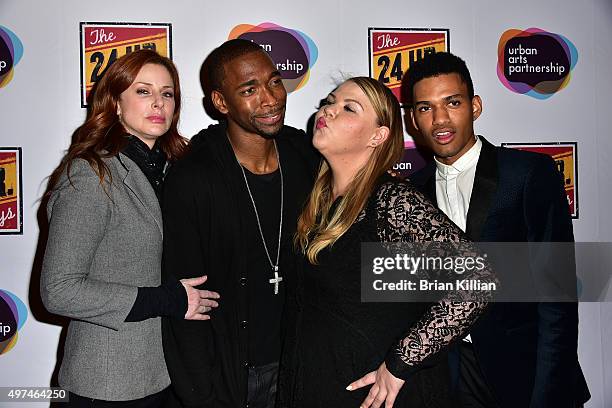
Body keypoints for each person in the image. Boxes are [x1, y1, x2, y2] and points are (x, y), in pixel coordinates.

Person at [277, 76, 494, 408]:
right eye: (330, 101)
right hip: (314, 384)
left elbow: (477, 280)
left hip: (373, 396)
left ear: (378, 135)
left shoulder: (391, 200)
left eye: (349, 108)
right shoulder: (317, 203)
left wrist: (400, 363)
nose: (329, 110)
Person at [408, 52, 590, 408]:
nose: (440, 119)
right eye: (425, 108)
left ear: (475, 106)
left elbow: (558, 294)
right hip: (451, 375)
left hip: (527, 371)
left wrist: (547, 394)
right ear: (413, 119)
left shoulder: (527, 174)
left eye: (453, 103)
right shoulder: (409, 194)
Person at [40, 49, 219, 407]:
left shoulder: (174, 171)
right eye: (143, 91)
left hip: (168, 372)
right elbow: (58, 290)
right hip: (107, 381)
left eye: (167, 93)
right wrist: (167, 298)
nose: (158, 103)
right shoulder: (92, 174)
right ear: (115, 103)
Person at [161, 39, 319, 408]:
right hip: (233, 377)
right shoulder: (194, 179)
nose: (270, 98)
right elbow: (185, 297)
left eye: (274, 81)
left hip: (302, 364)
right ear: (221, 102)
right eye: (249, 89)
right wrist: (203, 393)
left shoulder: (306, 157)